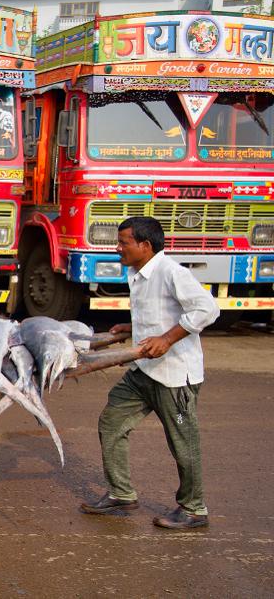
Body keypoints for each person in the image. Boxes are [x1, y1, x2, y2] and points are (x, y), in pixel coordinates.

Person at [80, 216, 219, 529]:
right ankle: (120, 492)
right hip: (143, 370)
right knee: (112, 421)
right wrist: (134, 328)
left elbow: (207, 310)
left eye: (123, 242)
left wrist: (167, 339)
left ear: (145, 245)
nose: (117, 249)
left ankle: (194, 509)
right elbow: (159, 313)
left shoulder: (171, 272)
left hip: (173, 375)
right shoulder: (137, 272)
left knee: (182, 441)